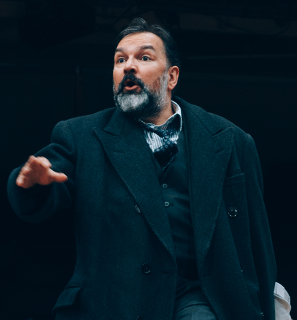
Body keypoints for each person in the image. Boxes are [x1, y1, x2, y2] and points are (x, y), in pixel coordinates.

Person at [7, 18, 276, 320]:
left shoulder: (230, 140)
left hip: (200, 296)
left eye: (144, 57)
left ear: (171, 76)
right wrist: (33, 183)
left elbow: (257, 240)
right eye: (120, 59)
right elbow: (49, 178)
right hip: (115, 301)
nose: (128, 67)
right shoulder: (81, 135)